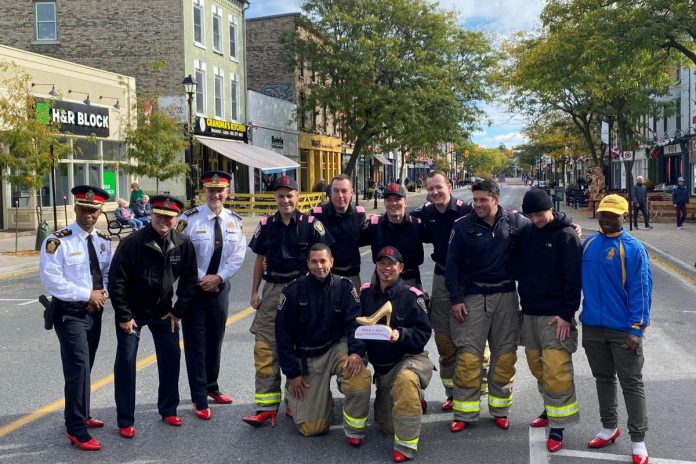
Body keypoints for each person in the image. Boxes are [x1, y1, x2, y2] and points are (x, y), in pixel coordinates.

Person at [244, 175, 333, 426]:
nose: (285, 200)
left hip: (302, 289)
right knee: (265, 347)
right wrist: (254, 291)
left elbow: (324, 259)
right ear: (275, 198)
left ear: (297, 197)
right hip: (272, 289)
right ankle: (266, 407)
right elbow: (260, 261)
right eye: (280, 196)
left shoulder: (312, 224)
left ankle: (295, 402)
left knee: (300, 347)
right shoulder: (266, 225)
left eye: (289, 195)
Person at [108, 195, 198, 438]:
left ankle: (168, 409)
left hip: (163, 310)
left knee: (171, 357)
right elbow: (116, 280)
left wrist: (178, 311)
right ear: (151, 215)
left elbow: (190, 279)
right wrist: (124, 315)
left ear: (176, 218)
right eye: (159, 215)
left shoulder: (182, 243)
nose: (164, 221)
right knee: (126, 362)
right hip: (132, 312)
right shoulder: (133, 242)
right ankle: (125, 419)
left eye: (169, 217)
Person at [445, 179, 526, 433]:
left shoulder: (514, 223)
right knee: (469, 358)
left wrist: (568, 223)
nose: (477, 204)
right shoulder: (462, 227)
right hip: (473, 298)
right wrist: (456, 299)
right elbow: (451, 267)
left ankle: (500, 410)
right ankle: (464, 413)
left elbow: (542, 223)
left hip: (505, 296)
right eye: (475, 199)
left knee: (504, 357)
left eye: (483, 200)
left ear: (496, 200)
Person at [39, 185, 112, 451]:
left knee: (86, 366)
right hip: (69, 314)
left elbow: (107, 274)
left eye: (94, 210)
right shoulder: (57, 240)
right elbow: (52, 280)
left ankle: (82, 413)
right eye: (84, 209)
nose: (89, 215)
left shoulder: (103, 242)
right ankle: (76, 430)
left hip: (95, 312)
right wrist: (86, 294)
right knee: (78, 368)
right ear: (75, 208)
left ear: (101, 211)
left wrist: (105, 292)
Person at [581, 194, 652, 464]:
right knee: (603, 379)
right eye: (603, 214)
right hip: (593, 327)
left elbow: (641, 291)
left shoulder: (633, 248)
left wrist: (637, 327)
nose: (607, 219)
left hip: (623, 330)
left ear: (624, 216)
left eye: (613, 215)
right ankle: (609, 427)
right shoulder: (588, 244)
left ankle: (638, 441)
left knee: (631, 384)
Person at [275, 243, 371, 443]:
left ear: (331, 262)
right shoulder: (292, 292)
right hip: (308, 356)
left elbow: (356, 323)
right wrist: (292, 374)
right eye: (314, 262)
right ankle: (300, 396)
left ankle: (354, 431)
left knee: (359, 375)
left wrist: (356, 353)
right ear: (308, 263)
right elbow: (282, 338)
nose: (319, 266)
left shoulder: (343, 287)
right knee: (312, 429)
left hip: (336, 348)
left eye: (323, 261)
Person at [177, 171, 247, 420]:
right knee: (196, 344)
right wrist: (201, 278)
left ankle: (211, 386)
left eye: (220, 191)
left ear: (227, 192)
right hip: (193, 291)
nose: (216, 195)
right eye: (211, 190)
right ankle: (198, 397)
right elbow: (179, 252)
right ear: (203, 192)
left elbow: (238, 254)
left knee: (215, 339)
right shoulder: (189, 219)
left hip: (220, 288)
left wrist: (219, 278)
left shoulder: (234, 220)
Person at [517, 189, 582, 452]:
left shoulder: (566, 236)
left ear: (551, 208)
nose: (536, 219)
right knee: (538, 368)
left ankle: (558, 426)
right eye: (530, 215)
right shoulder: (527, 233)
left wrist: (567, 314)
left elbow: (573, 280)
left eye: (539, 214)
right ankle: (549, 407)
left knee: (557, 370)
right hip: (530, 312)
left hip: (556, 316)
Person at [360, 246, 433, 462]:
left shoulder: (412, 296)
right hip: (383, 370)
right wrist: (357, 355)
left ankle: (406, 446)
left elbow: (423, 334)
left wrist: (399, 334)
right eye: (382, 263)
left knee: (406, 380)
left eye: (391, 263)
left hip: (409, 359)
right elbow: (355, 329)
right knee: (387, 426)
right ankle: (411, 399)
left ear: (400, 267)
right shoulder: (365, 294)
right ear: (376, 266)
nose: (386, 268)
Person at [410, 171, 475, 411]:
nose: (435, 192)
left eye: (439, 187)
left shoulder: (466, 210)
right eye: (431, 189)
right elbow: (399, 220)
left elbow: (504, 218)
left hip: (467, 280)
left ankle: (472, 389)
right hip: (440, 276)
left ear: (449, 186)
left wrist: (560, 219)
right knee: (444, 339)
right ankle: (452, 393)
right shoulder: (426, 213)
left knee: (469, 339)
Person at [360, 182, 425, 289]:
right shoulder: (374, 225)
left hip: (410, 280)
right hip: (382, 280)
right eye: (389, 200)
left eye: (397, 199)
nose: (393, 203)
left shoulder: (417, 224)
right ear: (384, 203)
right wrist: (361, 219)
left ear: (405, 202)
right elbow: (350, 239)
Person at [310, 174, 367, 290]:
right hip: (324, 277)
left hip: (351, 276)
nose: (340, 195)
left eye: (344, 191)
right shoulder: (317, 215)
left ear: (352, 192)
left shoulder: (359, 215)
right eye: (336, 191)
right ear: (330, 192)